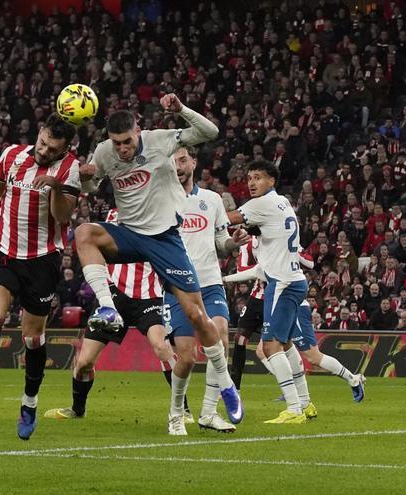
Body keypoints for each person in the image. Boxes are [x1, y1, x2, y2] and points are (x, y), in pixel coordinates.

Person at [74, 94, 243, 435]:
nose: (123, 149)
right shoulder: (104, 152)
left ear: (138, 131)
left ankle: (225, 383)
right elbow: (91, 187)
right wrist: (88, 176)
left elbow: (210, 132)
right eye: (117, 143)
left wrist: (181, 110)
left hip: (165, 239)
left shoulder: (159, 140)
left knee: (197, 316)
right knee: (84, 233)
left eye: (127, 141)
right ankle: (107, 307)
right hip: (130, 235)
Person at [0, 114, 80, 440]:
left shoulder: (69, 168)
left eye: (51, 149)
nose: (43, 151)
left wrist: (55, 187)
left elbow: (62, 215)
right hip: (4, 252)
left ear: (63, 149)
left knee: (32, 339)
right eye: (42, 143)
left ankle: (29, 403)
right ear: (38, 134)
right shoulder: (12, 154)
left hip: (42, 261)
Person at [43, 208, 174, 422]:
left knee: (162, 347)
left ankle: (182, 410)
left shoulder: (158, 214)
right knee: (84, 362)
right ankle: (77, 409)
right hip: (113, 297)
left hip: (149, 296)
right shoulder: (113, 215)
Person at [163, 146, 249, 435]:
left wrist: (234, 243)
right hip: (177, 286)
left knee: (221, 338)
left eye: (182, 160)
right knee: (187, 357)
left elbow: (221, 243)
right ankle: (176, 414)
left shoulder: (212, 200)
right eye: (173, 162)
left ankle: (209, 413)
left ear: (194, 162)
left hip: (210, 283)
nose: (178, 166)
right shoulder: (162, 200)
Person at [224, 250, 366, 414]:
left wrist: (225, 279)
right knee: (266, 350)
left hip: (293, 305)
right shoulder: (277, 247)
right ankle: (299, 398)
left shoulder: (279, 248)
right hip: (279, 305)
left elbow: (307, 263)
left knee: (313, 356)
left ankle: (352, 379)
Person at [225, 161, 309, 424]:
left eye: (258, 177)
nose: (251, 182)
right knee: (285, 344)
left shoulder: (261, 204)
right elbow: (263, 232)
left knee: (271, 346)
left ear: (271, 181)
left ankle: (293, 409)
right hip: (293, 281)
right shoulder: (281, 202)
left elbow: (227, 219)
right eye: (249, 177)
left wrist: (197, 216)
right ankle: (305, 403)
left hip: (281, 285)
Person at [228, 238, 265, 390]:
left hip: (276, 298)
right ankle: (235, 388)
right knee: (240, 338)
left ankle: (295, 390)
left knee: (276, 346)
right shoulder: (249, 244)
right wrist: (261, 267)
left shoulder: (280, 237)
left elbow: (309, 262)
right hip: (256, 298)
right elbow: (241, 270)